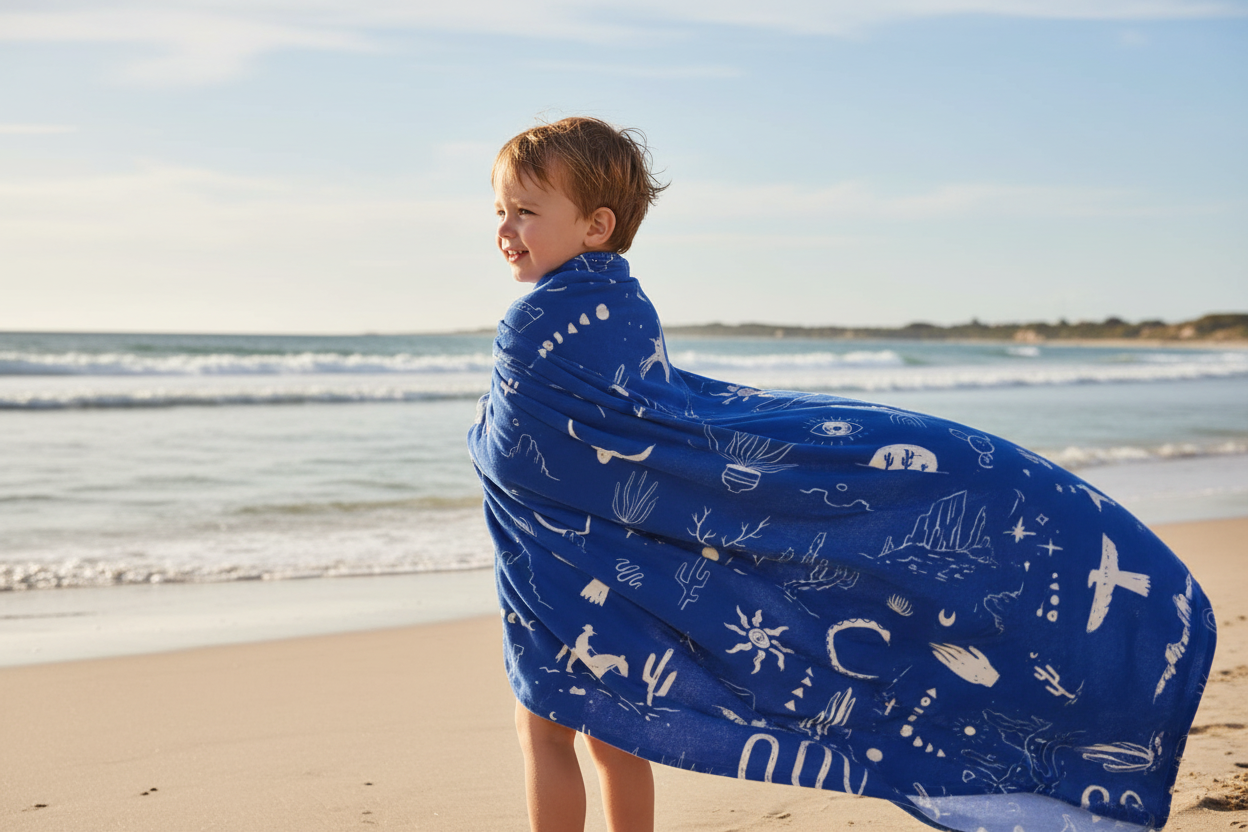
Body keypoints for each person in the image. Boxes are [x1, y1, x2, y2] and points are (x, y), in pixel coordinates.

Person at [469, 117, 1215, 832]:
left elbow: (527, 448)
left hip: (566, 565)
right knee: (614, 725)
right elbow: (642, 427)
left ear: (596, 225)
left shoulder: (534, 322)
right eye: (500, 209)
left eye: (526, 211)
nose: (505, 228)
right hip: (605, 563)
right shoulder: (626, 306)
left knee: (545, 728)